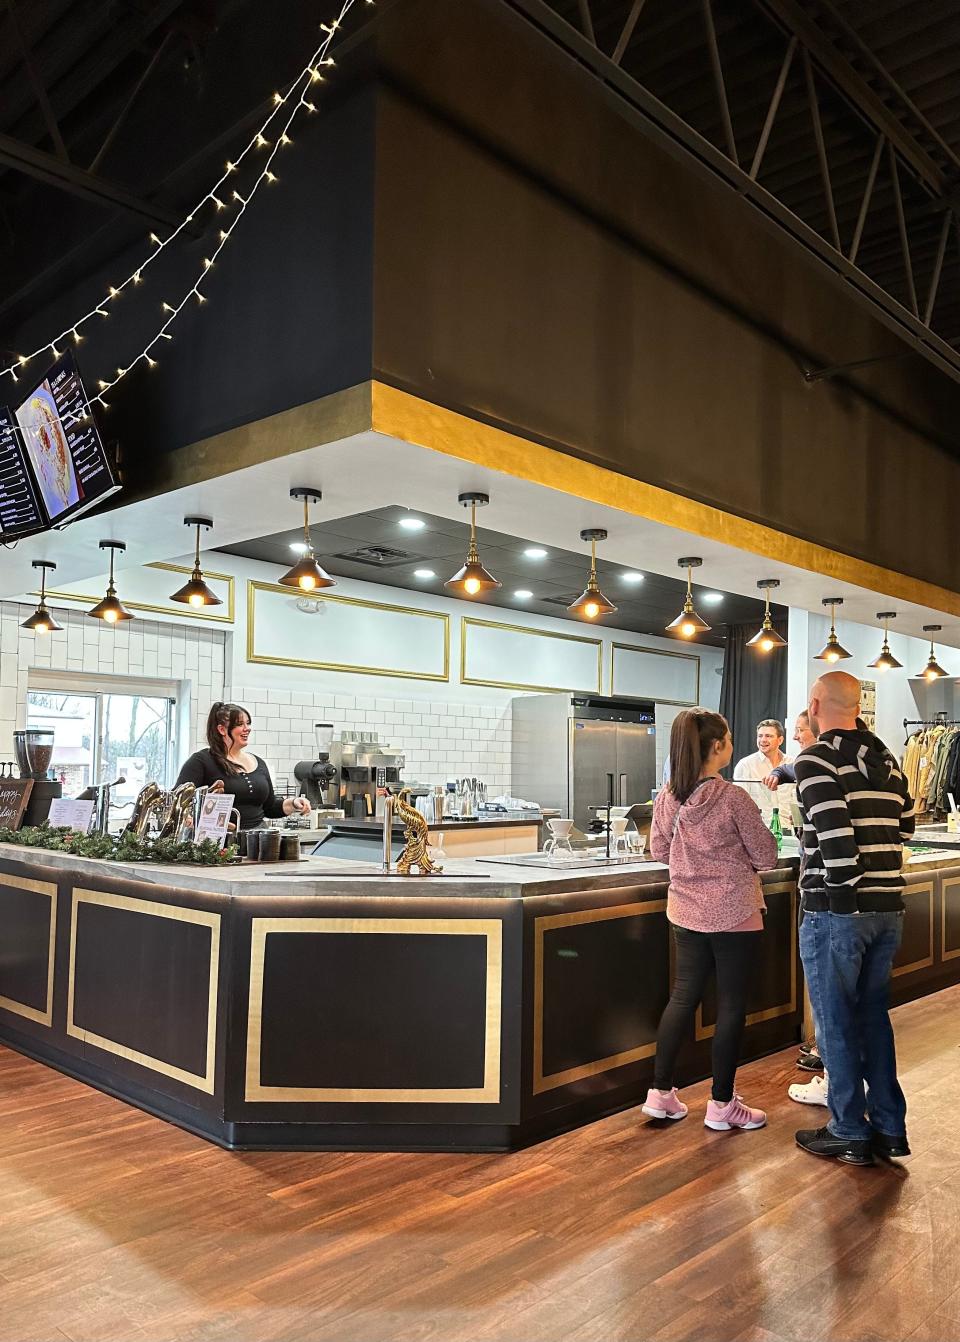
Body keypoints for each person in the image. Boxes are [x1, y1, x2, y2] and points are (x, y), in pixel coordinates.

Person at [793, 671, 915, 1166]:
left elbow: (838, 847)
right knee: (872, 1018)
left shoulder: (816, 758)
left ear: (816, 704)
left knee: (834, 1024)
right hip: (888, 909)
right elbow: (905, 826)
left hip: (837, 913)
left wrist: (841, 897)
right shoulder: (889, 759)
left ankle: (847, 1129)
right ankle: (888, 1127)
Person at [642, 708, 778, 1131]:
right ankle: (721, 1105)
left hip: (685, 911)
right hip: (735, 912)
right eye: (731, 738)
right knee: (732, 1005)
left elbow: (658, 851)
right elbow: (767, 856)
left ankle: (660, 1094)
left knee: (682, 998)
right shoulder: (733, 798)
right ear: (717, 746)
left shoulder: (668, 796)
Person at [176, 702, 310, 831]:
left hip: (257, 841)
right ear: (222, 729)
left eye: (248, 723)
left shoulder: (258, 762)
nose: (247, 728)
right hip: (217, 843)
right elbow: (178, 801)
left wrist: (294, 803)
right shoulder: (201, 761)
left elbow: (270, 807)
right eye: (240, 724)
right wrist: (188, 817)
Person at [734, 719, 791, 821]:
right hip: (760, 831)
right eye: (760, 736)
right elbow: (739, 805)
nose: (763, 740)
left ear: (780, 740)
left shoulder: (791, 764)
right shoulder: (745, 765)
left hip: (790, 831)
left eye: (768, 736)